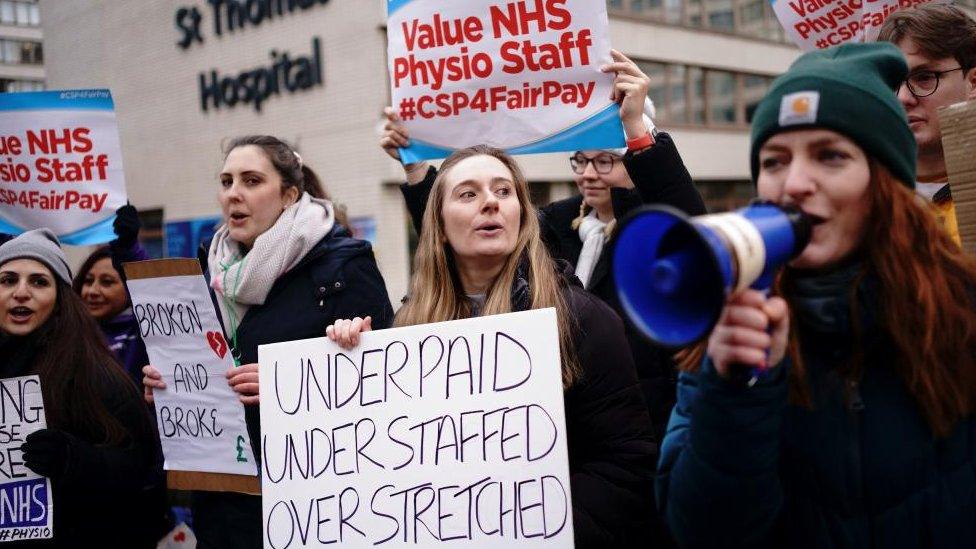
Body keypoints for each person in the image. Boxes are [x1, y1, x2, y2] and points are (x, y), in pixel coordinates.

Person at [656, 43, 976, 548]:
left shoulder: (961, 307)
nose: (795, 184)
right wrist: (738, 391)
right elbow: (703, 531)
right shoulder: (724, 330)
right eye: (775, 161)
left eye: (830, 156)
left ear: (885, 183)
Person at [328, 144, 657, 547]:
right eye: (468, 194)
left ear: (521, 215)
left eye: (503, 192)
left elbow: (626, 467)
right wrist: (351, 359)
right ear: (441, 227)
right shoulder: (408, 328)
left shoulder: (583, 319)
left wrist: (528, 526)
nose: (490, 202)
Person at [381, 49, 707, 444]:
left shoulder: (650, 228)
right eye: (580, 160)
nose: (589, 173)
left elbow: (694, 236)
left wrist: (636, 127)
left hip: (648, 422)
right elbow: (469, 234)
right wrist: (417, 169)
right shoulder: (554, 223)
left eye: (606, 160)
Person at [142, 135, 394, 548]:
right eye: (226, 182)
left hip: (314, 505)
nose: (234, 194)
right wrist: (168, 388)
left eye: (252, 181)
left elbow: (387, 386)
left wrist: (286, 383)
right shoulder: (206, 272)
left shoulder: (344, 265)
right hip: (224, 505)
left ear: (289, 194)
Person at [0, 229, 167, 547]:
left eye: (39, 281)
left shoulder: (95, 375)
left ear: (61, 299)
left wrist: (72, 458)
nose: (21, 292)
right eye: (8, 280)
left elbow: (139, 471)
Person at [879, 4, 976, 245]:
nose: (902, 97)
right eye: (890, 81)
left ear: (973, 83)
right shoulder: (863, 201)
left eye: (924, 78)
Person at [73, 204, 151, 385]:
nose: (92, 291)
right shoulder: (67, 332)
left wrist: (129, 249)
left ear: (127, 286)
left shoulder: (144, 333)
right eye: (87, 280)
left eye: (107, 282)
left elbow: (149, 290)